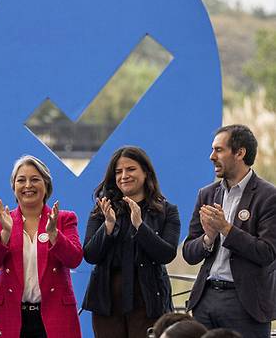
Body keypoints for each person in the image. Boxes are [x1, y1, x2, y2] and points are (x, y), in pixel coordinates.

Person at [183, 125, 276, 338]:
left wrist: (226, 229)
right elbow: (189, 252)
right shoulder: (206, 194)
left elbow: (268, 253)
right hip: (205, 300)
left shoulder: (269, 197)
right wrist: (208, 238)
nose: (211, 156)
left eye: (218, 150)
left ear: (240, 153)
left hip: (246, 304)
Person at [82, 146, 181, 338]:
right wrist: (108, 226)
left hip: (149, 303)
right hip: (107, 305)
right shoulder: (102, 209)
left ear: (146, 172)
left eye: (131, 169)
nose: (124, 176)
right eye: (119, 172)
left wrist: (140, 226)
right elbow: (90, 255)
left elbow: (166, 254)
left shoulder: (167, 211)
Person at [0, 155, 83, 338]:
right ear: (14, 187)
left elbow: (75, 259)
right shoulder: (0, 221)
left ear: (46, 186)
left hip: (55, 316)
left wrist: (54, 234)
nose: (28, 185)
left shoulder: (64, 218)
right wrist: (5, 234)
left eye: (35, 179)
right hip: (11, 316)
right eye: (21, 180)